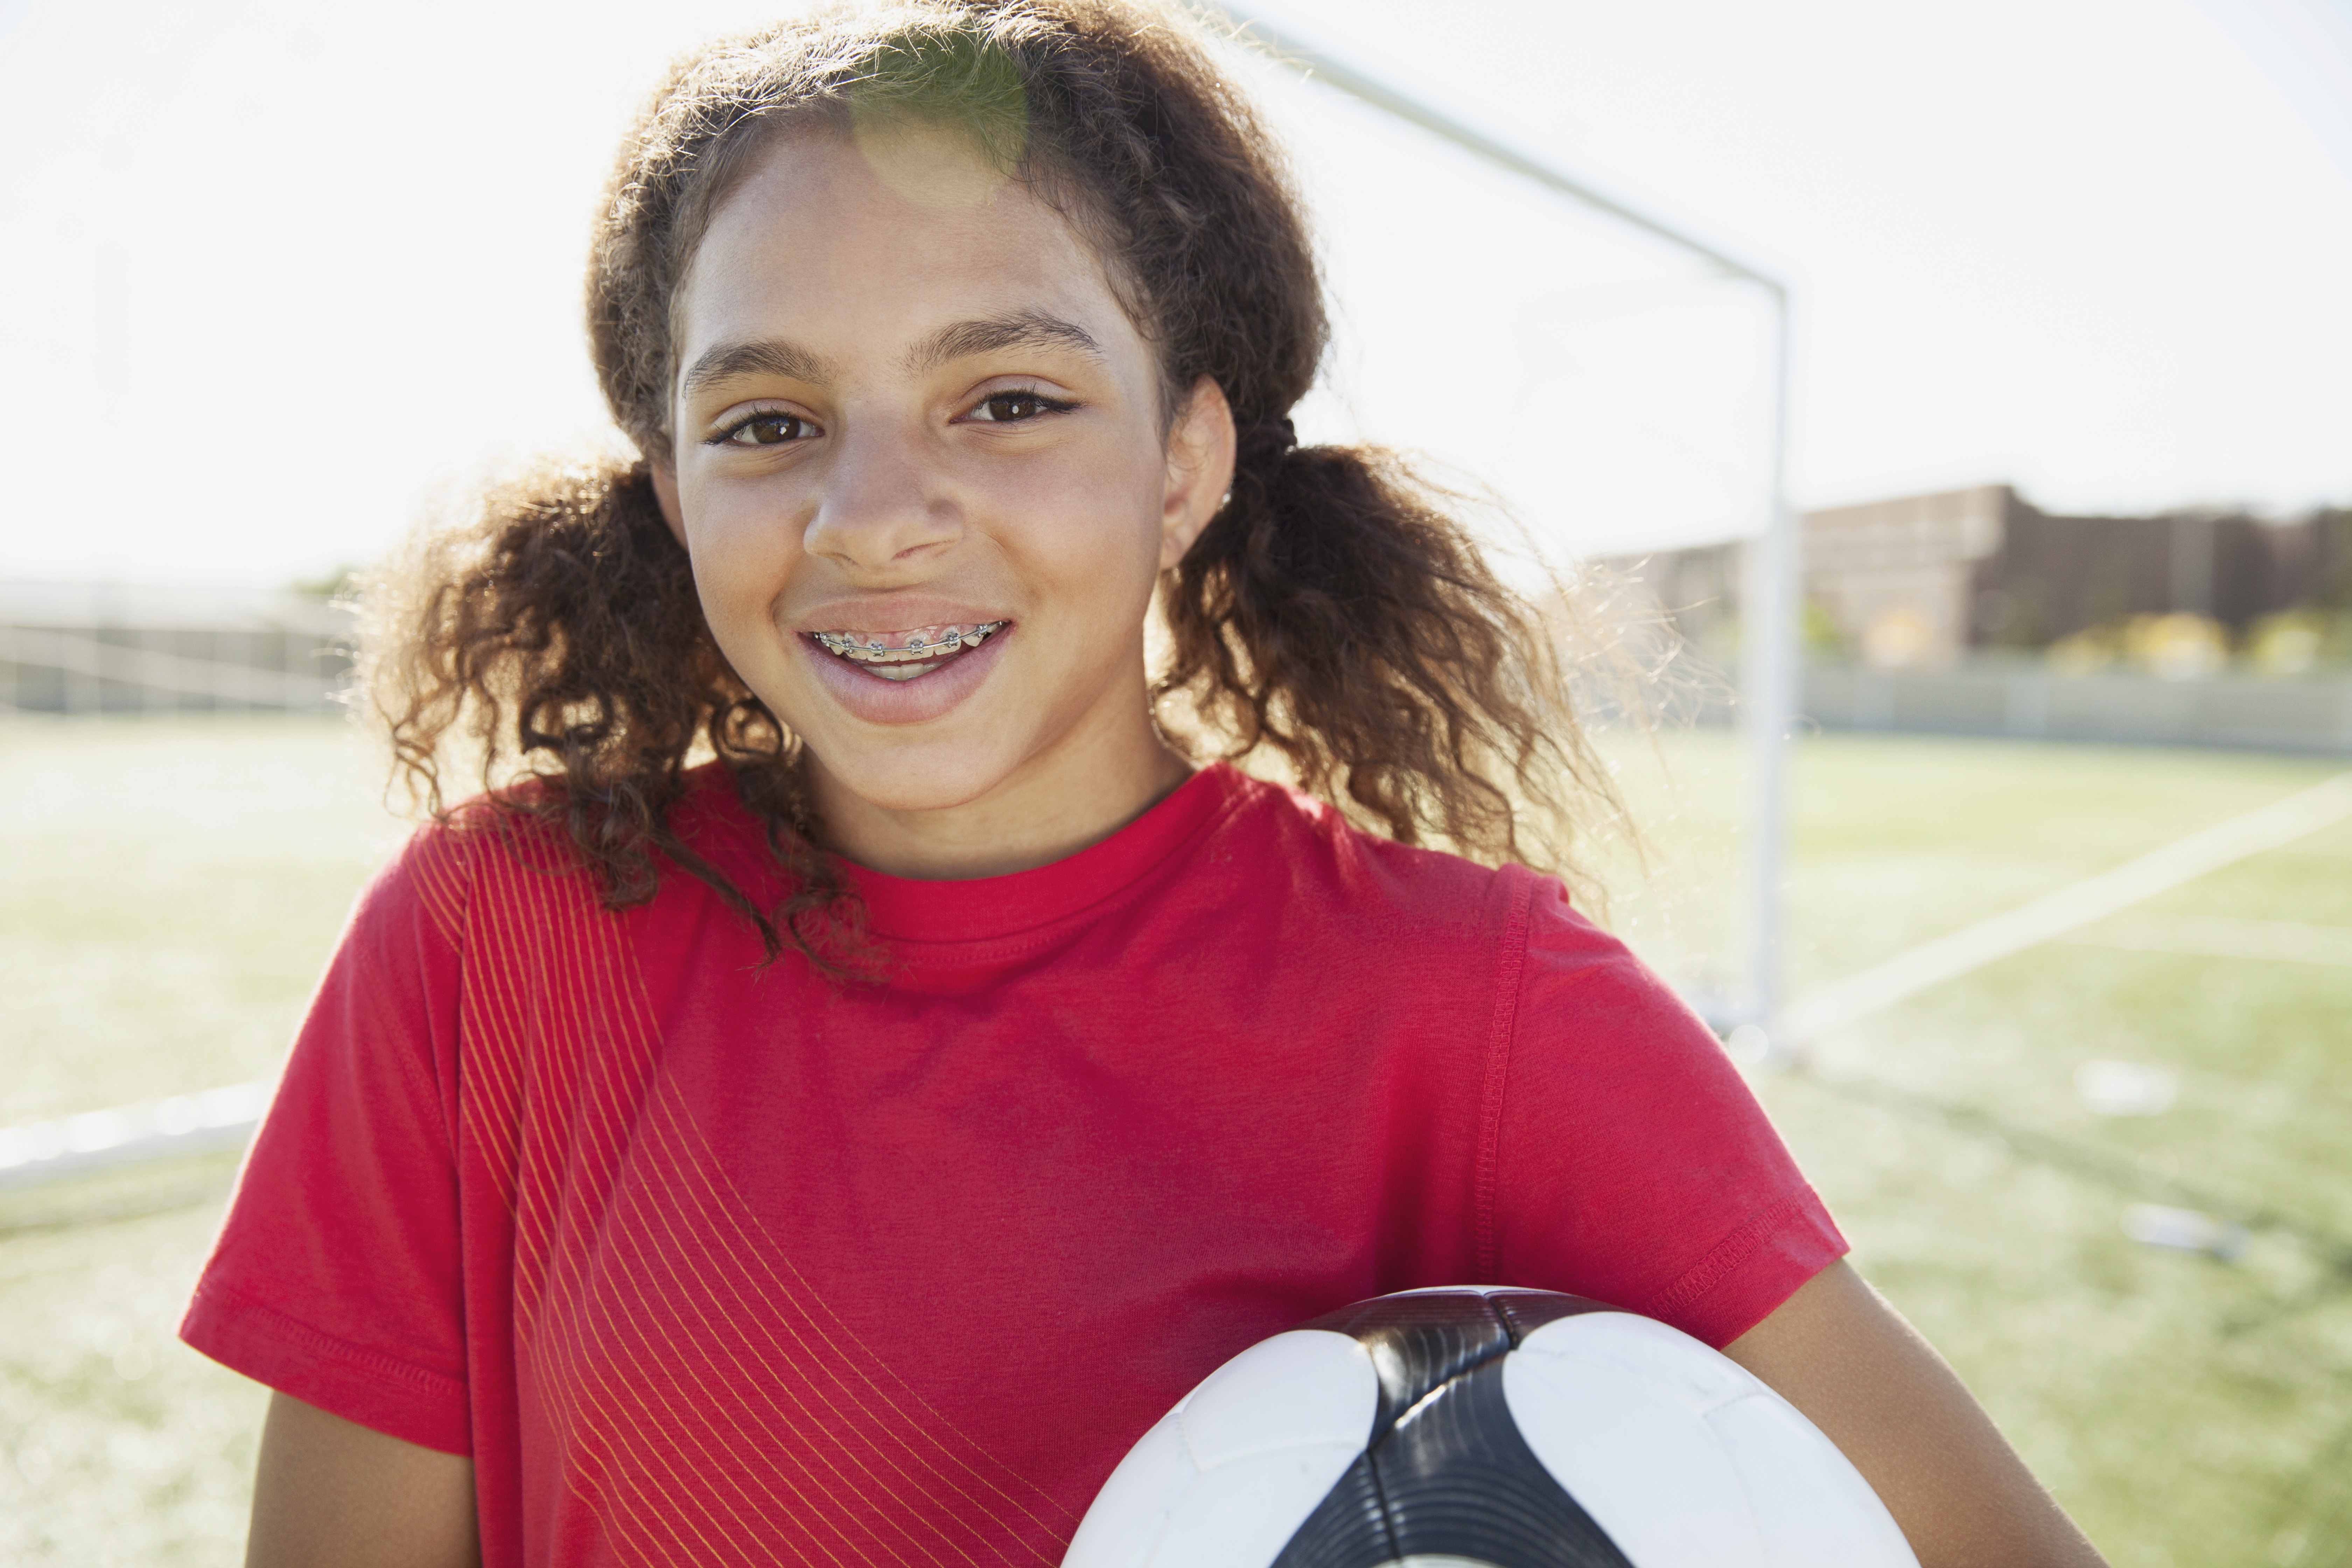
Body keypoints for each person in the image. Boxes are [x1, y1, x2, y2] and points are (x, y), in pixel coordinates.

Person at [182, 2, 2109, 1564]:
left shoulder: (1481, 1009)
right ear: (677, 488)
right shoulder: (492, 948)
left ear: (1186, 460)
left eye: (1006, 399)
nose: (873, 519)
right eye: (769, 422)